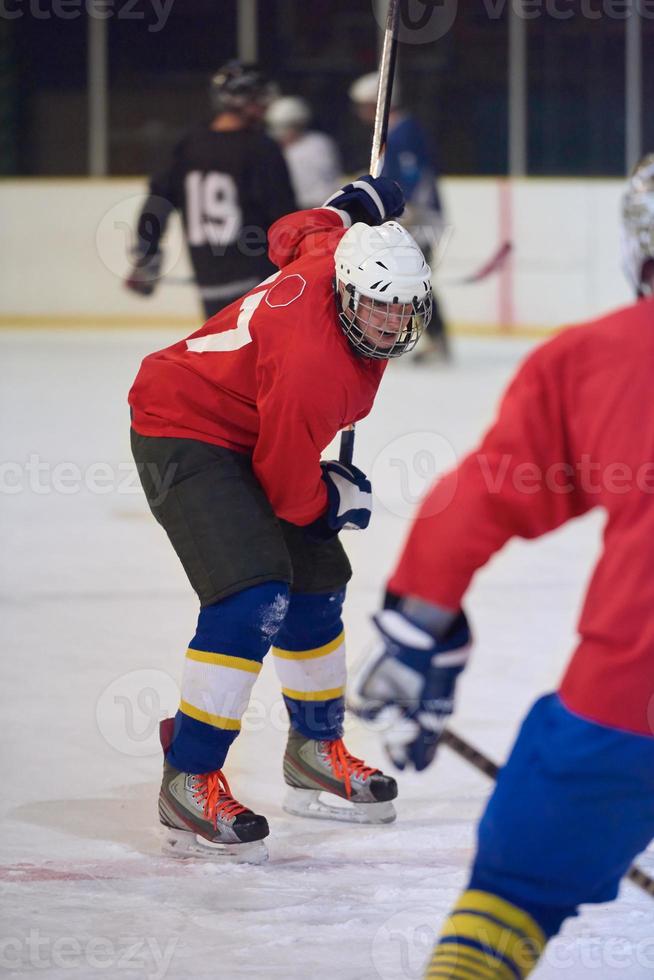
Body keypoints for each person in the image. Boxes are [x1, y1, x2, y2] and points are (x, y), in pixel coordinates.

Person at [353, 155, 654, 977]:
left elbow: (483, 498)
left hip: (632, 702)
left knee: (513, 893)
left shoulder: (603, 358)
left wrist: (417, 632)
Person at [128, 174, 434, 862]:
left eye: (405, 307)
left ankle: (316, 750)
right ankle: (190, 775)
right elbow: (287, 484)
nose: (392, 321)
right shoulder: (315, 365)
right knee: (253, 593)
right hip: (182, 429)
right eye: (378, 306)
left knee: (319, 578)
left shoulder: (334, 257)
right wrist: (334, 500)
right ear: (349, 295)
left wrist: (352, 205)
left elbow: (292, 232)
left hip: (248, 425)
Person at [125, 61, 296, 320]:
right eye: (260, 96)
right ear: (243, 98)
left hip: (208, 283)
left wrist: (146, 254)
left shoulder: (188, 144)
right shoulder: (261, 148)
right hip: (259, 281)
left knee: (228, 357)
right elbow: (282, 216)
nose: (266, 104)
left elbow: (158, 202)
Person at [350, 71, 449, 361]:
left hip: (416, 221)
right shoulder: (395, 132)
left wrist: (405, 213)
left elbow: (415, 177)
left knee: (412, 282)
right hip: (407, 219)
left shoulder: (403, 132)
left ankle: (436, 340)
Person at [265, 95, 342, 209]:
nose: (282, 133)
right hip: (292, 208)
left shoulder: (318, 144)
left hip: (322, 206)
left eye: (288, 127)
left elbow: (327, 179)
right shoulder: (274, 151)